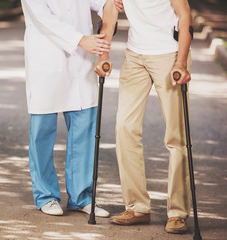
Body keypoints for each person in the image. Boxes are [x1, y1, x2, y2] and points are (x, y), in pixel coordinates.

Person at [95, 0, 193, 234]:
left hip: (169, 55)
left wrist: (181, 62)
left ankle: (178, 213)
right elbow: (110, 12)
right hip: (135, 56)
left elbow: (184, 16)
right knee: (125, 128)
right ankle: (137, 207)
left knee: (177, 137)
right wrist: (103, 55)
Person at [21, 0, 118, 217]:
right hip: (46, 59)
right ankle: (46, 196)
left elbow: (105, 5)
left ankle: (82, 197)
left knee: (84, 128)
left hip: (82, 62)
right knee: (42, 132)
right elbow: (42, 17)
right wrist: (80, 40)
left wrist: (109, 8)